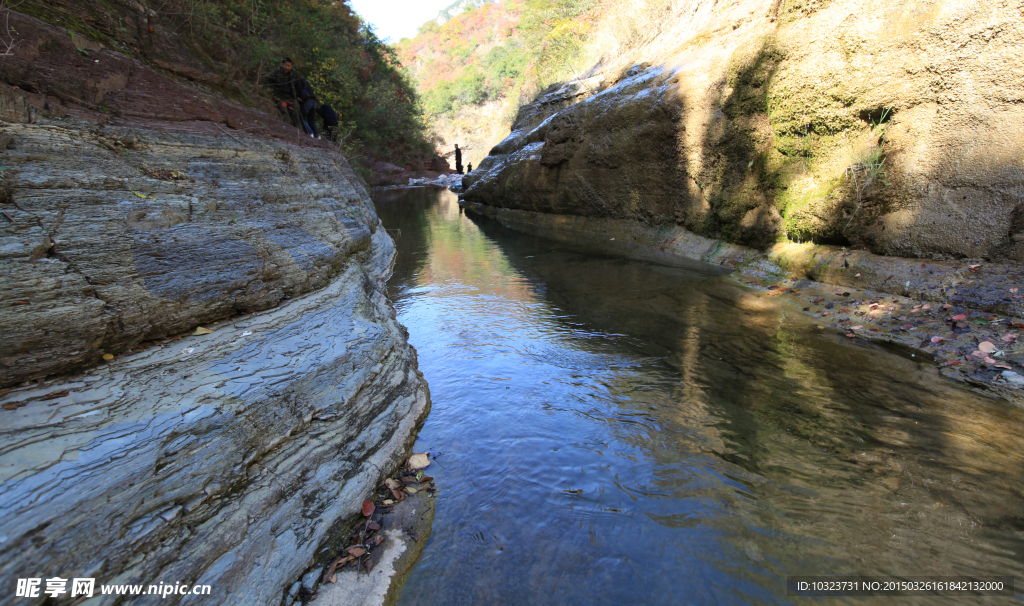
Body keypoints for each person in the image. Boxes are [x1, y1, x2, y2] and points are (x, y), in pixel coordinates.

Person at [263, 58, 314, 136]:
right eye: (286, 65)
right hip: (280, 96)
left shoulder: (292, 73)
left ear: (291, 66)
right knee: (285, 113)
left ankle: (299, 134)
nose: (287, 67)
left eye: (289, 66)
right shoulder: (276, 73)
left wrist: (298, 95)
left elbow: (297, 85)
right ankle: (285, 133)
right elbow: (268, 81)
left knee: (296, 115)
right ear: (282, 64)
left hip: (291, 97)